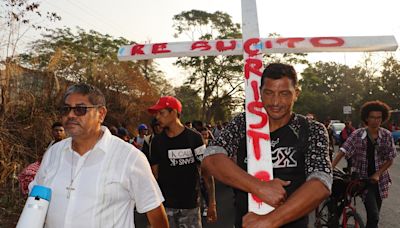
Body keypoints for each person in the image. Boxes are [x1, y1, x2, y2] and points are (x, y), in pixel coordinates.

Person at [201, 63, 332, 228]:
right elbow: (211, 158)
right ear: (259, 92)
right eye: (269, 93)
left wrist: (269, 221)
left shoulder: (311, 129)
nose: (276, 102)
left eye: (284, 94)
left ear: (296, 94)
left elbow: (321, 182)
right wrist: (260, 188)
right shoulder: (244, 122)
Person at [29, 83, 168, 228]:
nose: (70, 115)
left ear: (101, 114)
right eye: (66, 109)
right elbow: (36, 202)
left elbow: (156, 215)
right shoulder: (53, 153)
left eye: (80, 109)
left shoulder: (129, 158)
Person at [148, 96, 217, 227]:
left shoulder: (195, 138)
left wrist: (212, 203)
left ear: (174, 112)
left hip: (190, 206)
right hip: (166, 206)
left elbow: (207, 172)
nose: (157, 117)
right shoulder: (157, 142)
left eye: (161, 113)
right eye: (156, 113)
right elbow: (154, 177)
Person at [332, 101, 397, 228]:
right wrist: (330, 167)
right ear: (366, 118)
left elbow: (390, 159)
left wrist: (378, 174)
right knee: (374, 215)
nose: (375, 120)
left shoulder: (386, 135)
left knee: (374, 217)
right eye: (372, 117)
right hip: (363, 181)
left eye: (379, 118)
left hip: (380, 181)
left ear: (383, 118)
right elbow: (343, 151)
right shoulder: (357, 134)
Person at [18, 122, 67, 195]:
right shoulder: (51, 143)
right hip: (45, 164)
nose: (58, 132)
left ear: (65, 132)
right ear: (52, 132)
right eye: (56, 130)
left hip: (57, 167)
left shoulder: (66, 144)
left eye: (61, 130)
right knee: (27, 174)